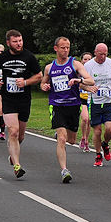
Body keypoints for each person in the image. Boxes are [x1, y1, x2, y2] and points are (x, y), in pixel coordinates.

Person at [41, 37, 94, 183]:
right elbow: (43, 83)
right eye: (63, 47)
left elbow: (91, 80)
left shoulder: (75, 64)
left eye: (68, 48)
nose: (66, 50)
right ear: (56, 48)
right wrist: (44, 87)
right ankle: (64, 170)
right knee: (62, 139)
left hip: (73, 105)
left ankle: (61, 136)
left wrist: (79, 80)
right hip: (56, 105)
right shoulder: (49, 68)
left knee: (71, 140)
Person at [0, 30, 42, 178]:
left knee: (21, 136)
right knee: (13, 131)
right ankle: (17, 166)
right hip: (8, 99)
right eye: (15, 41)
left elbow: (39, 76)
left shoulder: (29, 56)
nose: (19, 44)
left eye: (20, 41)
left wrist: (25, 82)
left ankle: (12, 155)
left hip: (24, 100)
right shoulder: (3, 57)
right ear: (8, 43)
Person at [84, 43, 111, 167]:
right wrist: (89, 88)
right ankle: (98, 154)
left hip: (109, 101)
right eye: (101, 54)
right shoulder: (88, 66)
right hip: (94, 102)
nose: (103, 57)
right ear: (95, 53)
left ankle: (105, 144)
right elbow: (80, 83)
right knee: (97, 131)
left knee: (110, 129)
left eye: (105, 54)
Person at [77, 52, 93, 152]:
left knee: (89, 121)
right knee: (85, 119)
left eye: (89, 60)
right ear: (81, 61)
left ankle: (86, 140)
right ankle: (83, 137)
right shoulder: (78, 72)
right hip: (81, 99)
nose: (87, 61)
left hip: (91, 98)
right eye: (85, 59)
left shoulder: (93, 71)